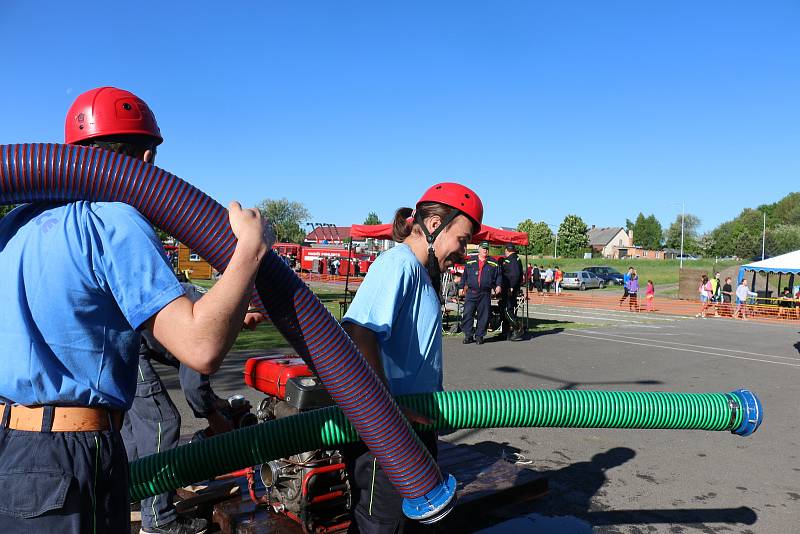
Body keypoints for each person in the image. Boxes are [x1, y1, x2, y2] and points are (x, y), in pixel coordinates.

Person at [0, 86, 272, 533]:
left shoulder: (18, 222)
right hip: (73, 453)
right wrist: (251, 249)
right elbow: (199, 347)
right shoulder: (114, 220)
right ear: (146, 162)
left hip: (12, 446)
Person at [341, 182, 482, 533]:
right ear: (434, 225)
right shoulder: (397, 265)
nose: (463, 253)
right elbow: (359, 333)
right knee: (383, 526)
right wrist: (386, 407)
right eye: (462, 240)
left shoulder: (421, 273)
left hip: (411, 428)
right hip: (386, 436)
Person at [122, 282, 264, 534]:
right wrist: (213, 417)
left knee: (135, 431)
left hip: (121, 337)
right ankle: (159, 520)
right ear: (244, 303)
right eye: (258, 314)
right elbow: (192, 381)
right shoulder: (218, 318)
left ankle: (133, 491)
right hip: (127, 341)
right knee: (160, 424)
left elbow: (189, 363)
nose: (259, 322)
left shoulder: (213, 305)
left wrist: (214, 401)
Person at [459, 241, 501, 345]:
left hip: (485, 294)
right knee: (467, 314)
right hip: (471, 293)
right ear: (479, 249)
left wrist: (498, 285)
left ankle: (479, 336)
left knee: (484, 316)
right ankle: (468, 335)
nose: (485, 250)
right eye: (483, 248)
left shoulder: (493, 262)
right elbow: (464, 276)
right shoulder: (470, 261)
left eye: (487, 249)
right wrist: (461, 287)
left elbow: (499, 275)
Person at [499, 244, 524, 341]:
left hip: (509, 288)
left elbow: (515, 274)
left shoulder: (511, 259)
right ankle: (506, 332)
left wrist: (511, 287)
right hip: (510, 288)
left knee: (507, 309)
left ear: (506, 250)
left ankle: (518, 328)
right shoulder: (516, 258)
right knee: (504, 309)